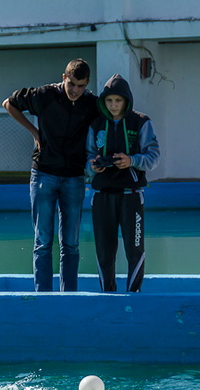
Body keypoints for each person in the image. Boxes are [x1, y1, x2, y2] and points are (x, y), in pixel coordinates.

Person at [3, 59, 99, 292]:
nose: (76, 90)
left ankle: (69, 295)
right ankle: (43, 295)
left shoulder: (90, 103)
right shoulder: (44, 95)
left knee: (71, 244)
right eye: (73, 84)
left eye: (82, 86)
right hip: (44, 173)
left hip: (75, 177)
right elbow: (9, 103)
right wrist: (34, 131)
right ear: (64, 78)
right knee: (43, 241)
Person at [86, 74, 161, 292]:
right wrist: (94, 166)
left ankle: (133, 294)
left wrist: (131, 161)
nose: (113, 105)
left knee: (134, 249)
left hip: (131, 195)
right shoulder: (97, 124)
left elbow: (154, 157)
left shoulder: (141, 122)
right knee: (104, 251)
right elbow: (88, 157)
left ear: (126, 101)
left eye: (118, 101)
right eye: (109, 101)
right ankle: (107, 294)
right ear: (103, 101)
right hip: (102, 197)